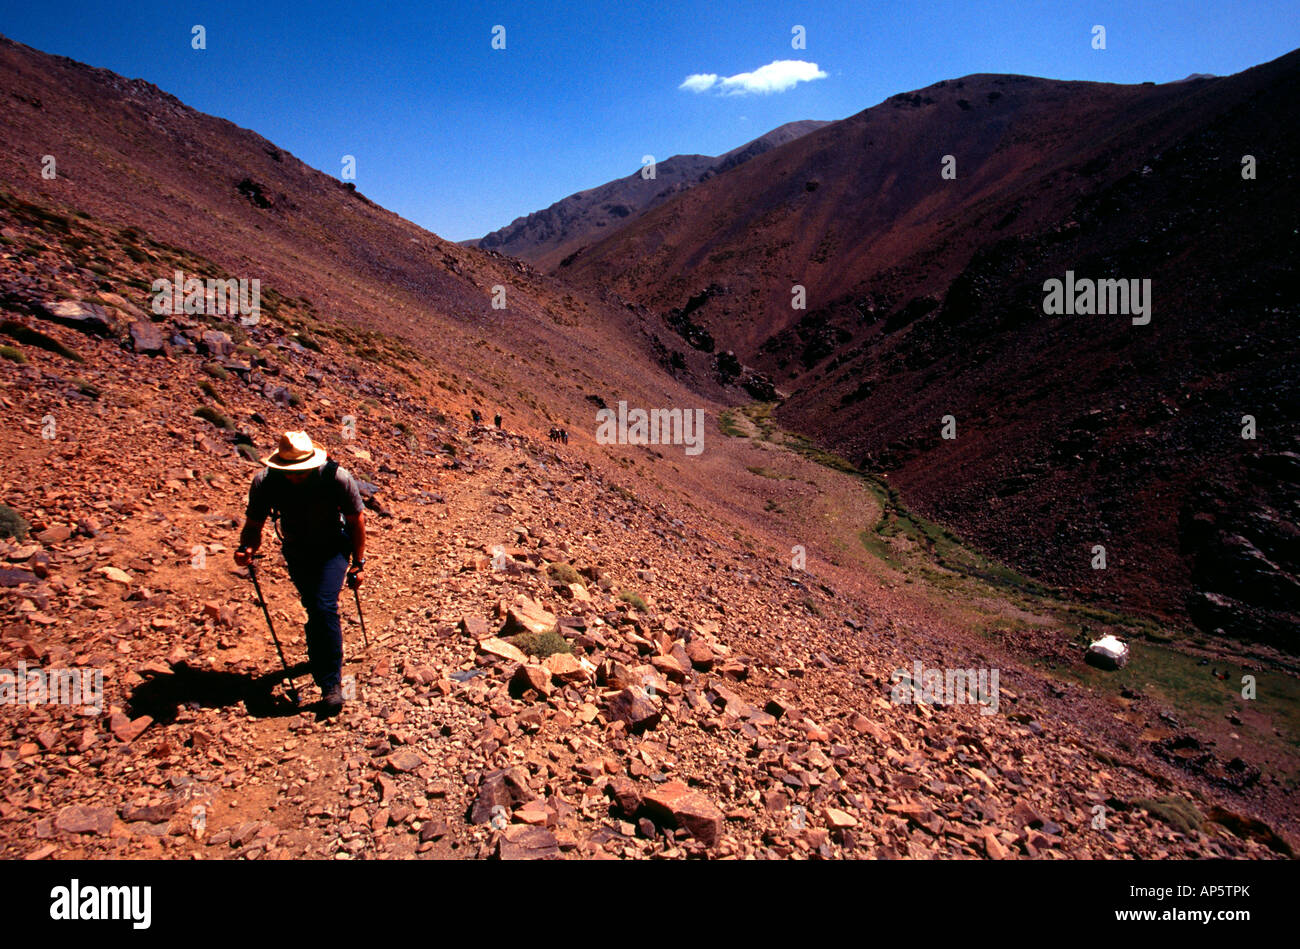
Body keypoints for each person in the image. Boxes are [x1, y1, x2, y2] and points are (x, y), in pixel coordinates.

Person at [233, 431, 366, 715]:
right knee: (313, 607)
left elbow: (356, 521)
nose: (294, 476)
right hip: (297, 551)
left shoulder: (336, 477)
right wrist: (247, 547)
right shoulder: (266, 482)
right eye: (289, 471)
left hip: (333, 548)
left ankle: (330, 684)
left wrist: (358, 563)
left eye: (300, 471)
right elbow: (254, 524)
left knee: (323, 606)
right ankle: (321, 652)